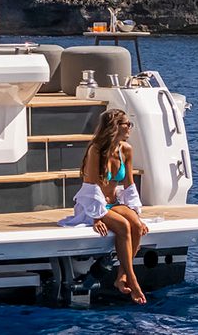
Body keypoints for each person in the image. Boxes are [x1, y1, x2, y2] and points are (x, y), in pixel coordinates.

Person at [59, 108, 149, 304]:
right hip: (92, 205)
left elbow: (129, 184)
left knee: (136, 225)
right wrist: (97, 217)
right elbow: (90, 186)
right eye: (127, 124)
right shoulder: (96, 150)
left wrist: (135, 211)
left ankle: (121, 277)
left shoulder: (126, 150)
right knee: (124, 227)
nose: (130, 128)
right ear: (115, 127)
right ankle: (132, 280)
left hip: (114, 202)